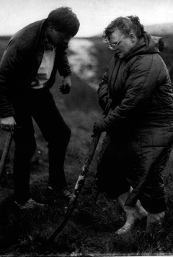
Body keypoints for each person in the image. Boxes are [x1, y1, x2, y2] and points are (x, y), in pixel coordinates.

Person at [93, 15, 173, 234]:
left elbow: (131, 105)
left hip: (154, 126)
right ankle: (135, 213)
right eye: (110, 44)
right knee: (107, 168)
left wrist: (104, 123)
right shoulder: (120, 55)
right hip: (128, 122)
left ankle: (154, 231)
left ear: (131, 36)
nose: (113, 48)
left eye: (116, 43)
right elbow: (104, 83)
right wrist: (110, 101)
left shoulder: (149, 61)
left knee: (146, 175)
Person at [0, 7, 80, 210]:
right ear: (51, 27)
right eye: (65, 35)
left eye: (71, 36)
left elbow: (61, 50)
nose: (67, 40)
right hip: (18, 95)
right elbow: (2, 79)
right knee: (26, 146)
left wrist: (66, 74)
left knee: (60, 134)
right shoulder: (23, 43)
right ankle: (22, 199)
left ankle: (56, 185)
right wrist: (7, 114)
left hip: (40, 93)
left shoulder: (57, 37)